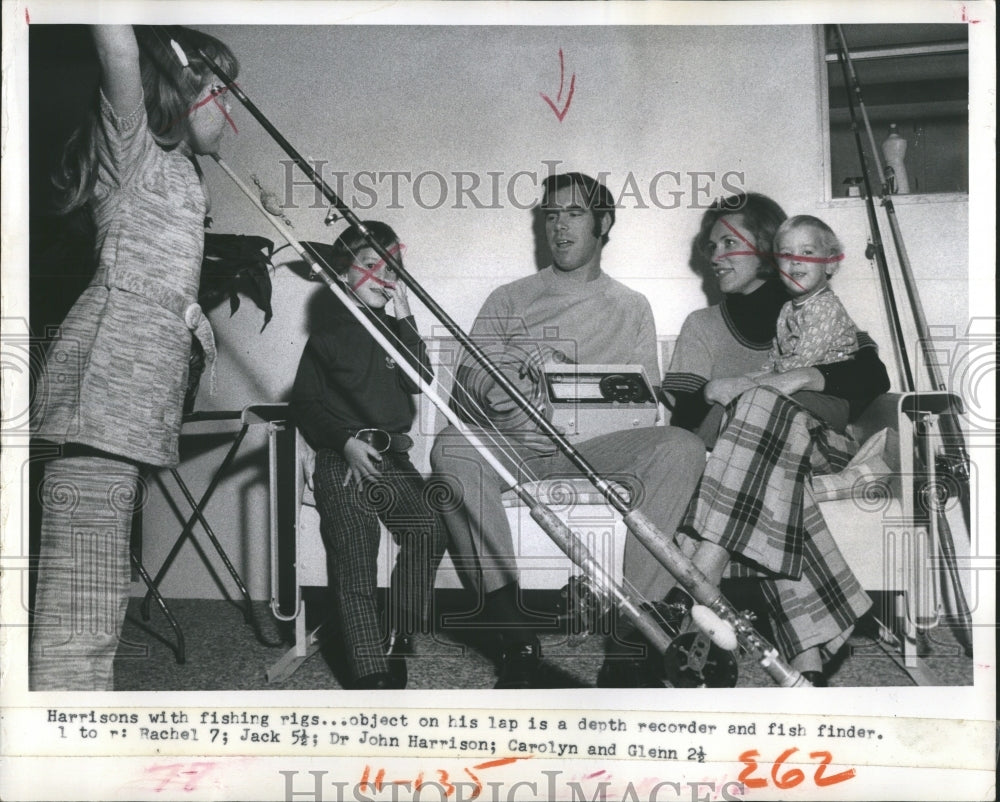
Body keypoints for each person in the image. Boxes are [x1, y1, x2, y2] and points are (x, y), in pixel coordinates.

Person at [430, 172, 706, 689]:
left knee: (681, 446)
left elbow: (642, 408)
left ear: (603, 224)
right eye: (551, 215)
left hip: (597, 447)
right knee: (452, 448)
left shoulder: (632, 306)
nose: (559, 227)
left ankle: (634, 632)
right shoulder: (511, 298)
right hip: (520, 444)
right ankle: (513, 635)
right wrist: (513, 366)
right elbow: (463, 397)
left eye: (574, 214)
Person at [30, 25, 239, 691]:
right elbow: (116, 43)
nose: (230, 113)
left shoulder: (179, 171)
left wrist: (190, 319)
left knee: (100, 575)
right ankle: (65, 739)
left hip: (134, 388)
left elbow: (160, 267)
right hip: (102, 382)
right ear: (176, 88)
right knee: (82, 589)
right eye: (219, 94)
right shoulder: (137, 146)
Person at [660, 193, 890, 686]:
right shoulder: (702, 326)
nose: (715, 255)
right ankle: (805, 663)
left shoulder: (812, 308)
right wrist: (722, 392)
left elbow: (872, 375)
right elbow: (686, 420)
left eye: (729, 243)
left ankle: (696, 582)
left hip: (817, 448)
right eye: (711, 245)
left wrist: (803, 376)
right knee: (777, 481)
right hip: (747, 465)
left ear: (767, 249)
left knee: (764, 413)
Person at [290, 222, 446, 690]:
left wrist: (406, 316)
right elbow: (304, 403)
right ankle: (368, 665)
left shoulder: (395, 331)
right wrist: (343, 443)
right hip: (344, 454)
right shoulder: (332, 329)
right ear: (344, 273)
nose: (384, 276)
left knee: (430, 527)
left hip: (390, 457)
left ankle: (393, 634)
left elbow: (420, 379)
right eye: (370, 265)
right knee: (357, 548)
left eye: (392, 268)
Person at [759, 214, 859, 375]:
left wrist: (762, 381)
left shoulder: (825, 307)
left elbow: (802, 362)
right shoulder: (787, 309)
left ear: (830, 264)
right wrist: (757, 376)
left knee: (761, 397)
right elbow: (775, 355)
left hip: (828, 392)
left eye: (807, 252)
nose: (796, 260)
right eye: (786, 255)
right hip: (795, 382)